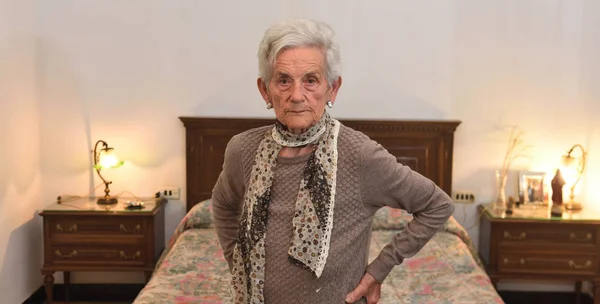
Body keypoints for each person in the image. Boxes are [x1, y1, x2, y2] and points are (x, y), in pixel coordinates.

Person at [211, 18, 455, 304]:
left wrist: (379, 269)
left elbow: (437, 205)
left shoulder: (360, 155)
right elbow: (223, 204)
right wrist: (237, 258)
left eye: (311, 80)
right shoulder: (242, 149)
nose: (297, 95)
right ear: (265, 90)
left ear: (333, 89)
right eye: (284, 80)